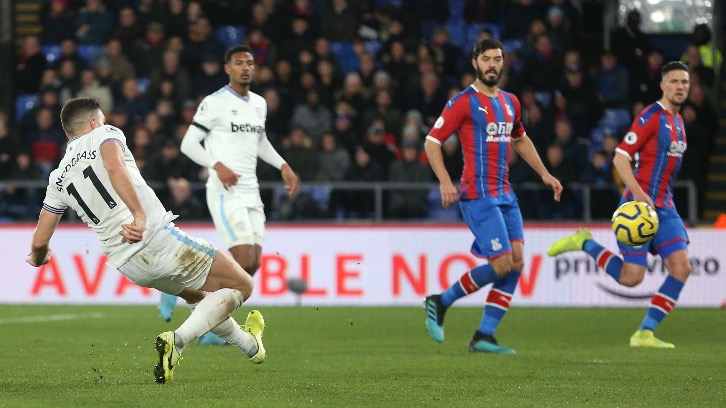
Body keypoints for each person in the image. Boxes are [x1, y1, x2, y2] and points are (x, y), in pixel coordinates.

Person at [26, 97, 266, 384]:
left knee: (195, 296)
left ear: (68, 134)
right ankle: (178, 341)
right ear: (94, 121)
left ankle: (251, 346)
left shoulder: (57, 178)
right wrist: (139, 215)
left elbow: (40, 242)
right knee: (242, 284)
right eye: (101, 119)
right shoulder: (105, 133)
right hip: (155, 238)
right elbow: (114, 167)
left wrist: (39, 257)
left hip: (128, 264)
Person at [423, 39, 563, 354]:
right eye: (486, 59)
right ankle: (440, 302)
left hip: (505, 194)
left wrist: (545, 174)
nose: (492, 65)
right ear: (475, 62)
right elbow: (432, 142)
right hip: (477, 194)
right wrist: (446, 181)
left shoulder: (511, 101)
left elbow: (521, 140)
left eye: (497, 59)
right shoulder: (462, 102)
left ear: (503, 63)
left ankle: (484, 335)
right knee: (501, 265)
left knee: (516, 263)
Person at [547, 61, 691, 348]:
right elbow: (620, 156)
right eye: (674, 82)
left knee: (681, 268)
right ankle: (585, 242)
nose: (680, 87)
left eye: (684, 82)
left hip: (665, 206)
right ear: (663, 85)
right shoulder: (651, 116)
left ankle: (644, 333)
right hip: (637, 207)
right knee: (631, 278)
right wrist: (637, 191)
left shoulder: (679, 121)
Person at [158, 45, 299, 334]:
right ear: (228, 69)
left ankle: (204, 309)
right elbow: (188, 144)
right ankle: (194, 303)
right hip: (225, 191)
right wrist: (217, 165)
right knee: (243, 262)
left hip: (251, 190)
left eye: (250, 63)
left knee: (251, 267)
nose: (246, 67)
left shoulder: (259, 103)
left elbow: (259, 142)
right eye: (239, 63)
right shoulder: (214, 102)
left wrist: (282, 164)